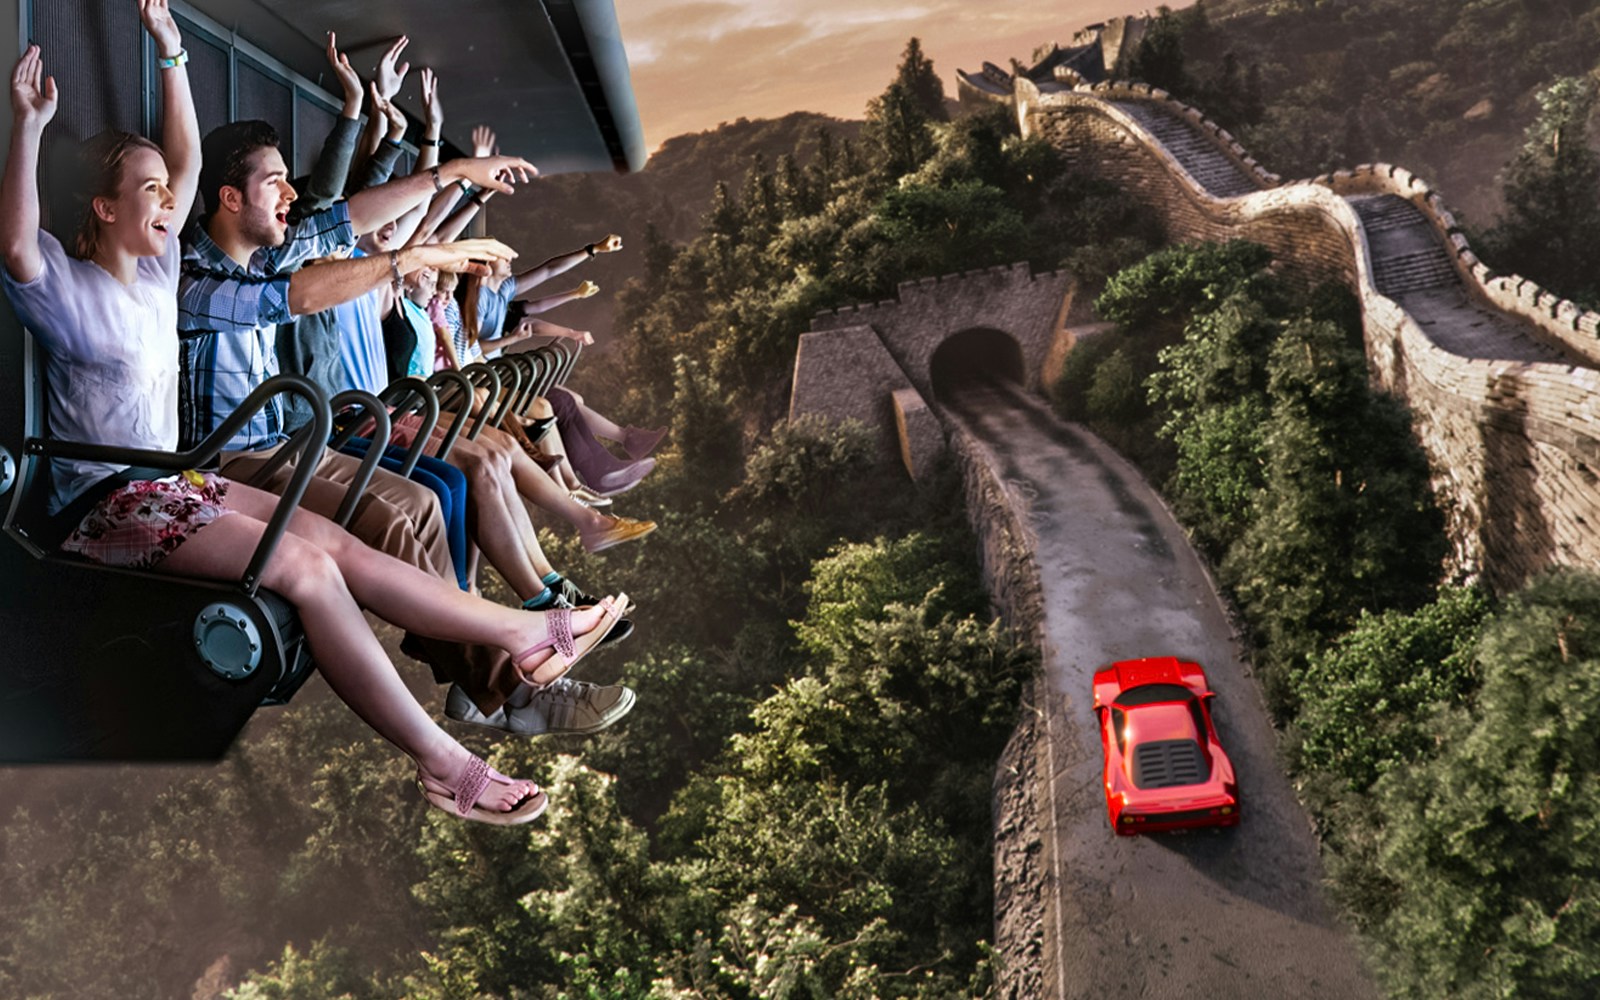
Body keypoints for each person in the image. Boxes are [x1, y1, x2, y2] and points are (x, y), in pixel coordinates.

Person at [0, 5, 626, 823]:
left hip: (170, 482)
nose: (168, 198)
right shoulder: (72, 286)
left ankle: (523, 634)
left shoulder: (154, 276)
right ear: (107, 208)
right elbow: (15, 240)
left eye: (169, 191)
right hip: (103, 501)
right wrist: (27, 126)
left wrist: (173, 48)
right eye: (149, 191)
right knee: (307, 568)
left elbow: (196, 165)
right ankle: (445, 761)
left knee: (331, 539)